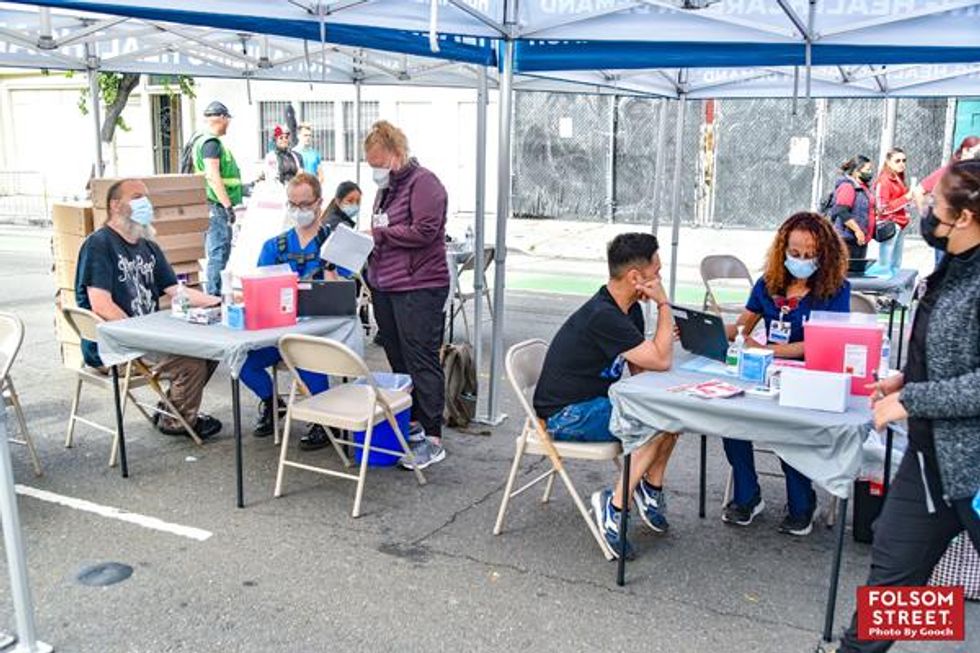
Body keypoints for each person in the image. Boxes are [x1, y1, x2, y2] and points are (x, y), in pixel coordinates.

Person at [832, 161, 980, 653]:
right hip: (929, 461)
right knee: (892, 575)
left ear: (964, 217)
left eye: (935, 206)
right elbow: (951, 351)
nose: (925, 212)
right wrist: (904, 377)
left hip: (973, 468)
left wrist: (909, 399)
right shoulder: (953, 268)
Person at [533, 233, 679, 558]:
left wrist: (664, 337)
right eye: (656, 272)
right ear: (635, 278)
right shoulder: (604, 315)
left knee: (674, 415)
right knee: (658, 421)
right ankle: (614, 505)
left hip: (594, 404)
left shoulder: (628, 311)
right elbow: (661, 361)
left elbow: (645, 373)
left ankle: (649, 488)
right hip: (566, 414)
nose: (659, 279)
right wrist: (664, 306)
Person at [722, 212, 850, 536]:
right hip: (764, 372)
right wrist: (707, 329)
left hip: (809, 377)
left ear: (825, 254)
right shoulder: (769, 283)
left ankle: (802, 504)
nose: (802, 260)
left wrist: (770, 350)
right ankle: (747, 497)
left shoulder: (836, 289)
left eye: (810, 254)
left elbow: (820, 345)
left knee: (787, 429)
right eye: (795, 253)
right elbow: (742, 327)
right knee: (728, 416)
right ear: (783, 249)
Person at [75, 178, 223, 439]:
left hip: (145, 337)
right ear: (115, 205)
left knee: (209, 349)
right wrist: (140, 334)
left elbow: (175, 290)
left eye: (146, 197)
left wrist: (219, 302)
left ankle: (172, 412)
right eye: (136, 197)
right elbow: (101, 304)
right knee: (191, 363)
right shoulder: (99, 244)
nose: (145, 203)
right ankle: (176, 421)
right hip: (114, 344)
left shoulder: (148, 246)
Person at [364, 120, 449, 470]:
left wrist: (380, 235)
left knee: (421, 358)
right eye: (371, 165)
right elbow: (382, 227)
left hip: (420, 285)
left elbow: (426, 231)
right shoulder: (388, 189)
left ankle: (433, 436)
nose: (375, 171)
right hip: (386, 284)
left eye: (379, 164)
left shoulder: (424, 182)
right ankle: (411, 421)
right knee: (399, 359)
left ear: (397, 154)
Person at [239, 172, 335, 448]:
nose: (299, 211)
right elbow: (258, 288)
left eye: (305, 204)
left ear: (319, 203)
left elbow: (341, 292)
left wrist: (329, 268)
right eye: (293, 204)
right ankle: (272, 403)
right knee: (242, 361)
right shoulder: (274, 246)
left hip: (319, 331)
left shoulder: (334, 243)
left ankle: (324, 421)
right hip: (277, 329)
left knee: (305, 354)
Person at [194, 101, 242, 297]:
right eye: (228, 119)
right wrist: (227, 205)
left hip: (213, 204)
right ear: (221, 118)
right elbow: (213, 176)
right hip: (216, 205)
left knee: (220, 252)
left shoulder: (205, 141)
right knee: (219, 253)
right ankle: (213, 296)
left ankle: (215, 293)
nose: (229, 123)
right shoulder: (211, 143)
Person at [913, 136, 980, 267]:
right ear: (965, 150)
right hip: (951, 234)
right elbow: (918, 191)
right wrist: (927, 215)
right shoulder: (950, 173)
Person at [829, 155, 876, 260]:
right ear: (856, 172)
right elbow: (842, 211)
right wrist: (857, 230)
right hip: (847, 239)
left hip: (859, 240)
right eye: (867, 170)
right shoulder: (848, 187)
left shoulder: (863, 188)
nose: (870, 172)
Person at [873, 147, 912, 272]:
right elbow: (882, 208)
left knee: (896, 262)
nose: (902, 164)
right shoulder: (884, 180)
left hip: (899, 222)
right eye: (898, 161)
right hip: (890, 223)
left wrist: (909, 203)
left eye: (904, 160)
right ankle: (881, 288)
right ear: (888, 162)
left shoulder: (898, 178)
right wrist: (906, 198)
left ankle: (892, 287)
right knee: (886, 262)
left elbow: (902, 201)